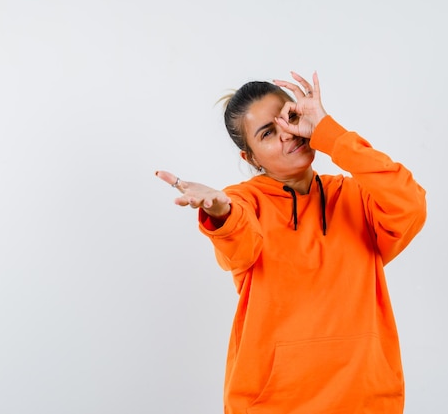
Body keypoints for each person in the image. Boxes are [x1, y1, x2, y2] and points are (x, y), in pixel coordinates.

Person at [155, 71, 427, 414]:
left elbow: (410, 205)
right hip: (272, 404)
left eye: (291, 117)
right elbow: (239, 243)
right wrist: (221, 213)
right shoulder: (244, 201)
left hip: (366, 401)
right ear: (251, 159)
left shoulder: (356, 197)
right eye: (267, 133)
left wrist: (329, 132)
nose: (287, 133)